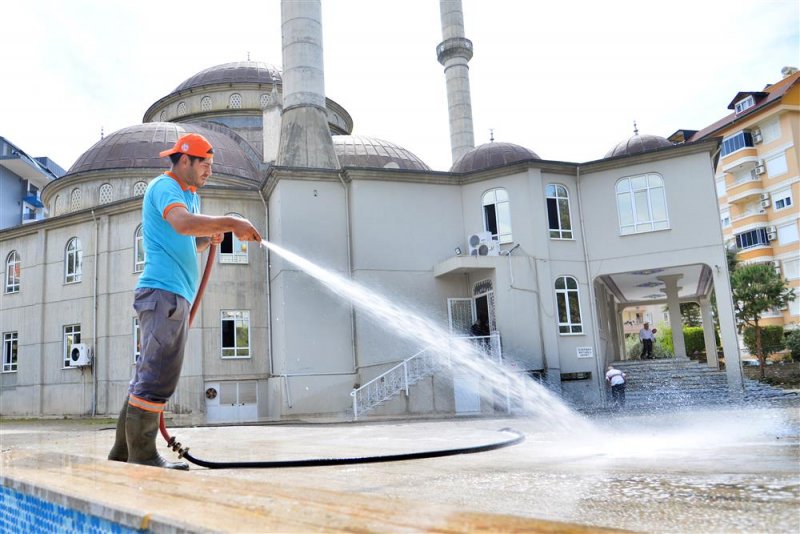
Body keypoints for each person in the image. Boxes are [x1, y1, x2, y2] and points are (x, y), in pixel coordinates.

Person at [108, 133, 262, 469]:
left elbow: (187, 241)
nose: (209, 171)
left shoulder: (190, 197)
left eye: (211, 165)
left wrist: (207, 238)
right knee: (158, 377)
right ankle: (144, 456)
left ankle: (122, 455)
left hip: (173, 296)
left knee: (147, 375)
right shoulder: (165, 188)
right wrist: (233, 222)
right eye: (204, 164)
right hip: (163, 294)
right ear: (184, 161)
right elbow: (181, 225)